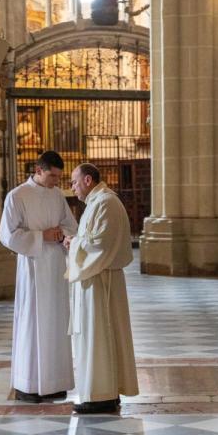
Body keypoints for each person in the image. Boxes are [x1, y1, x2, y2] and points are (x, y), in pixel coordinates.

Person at [0, 151, 78, 403]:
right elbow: (8, 235)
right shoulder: (17, 195)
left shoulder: (56, 195)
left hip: (55, 265)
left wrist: (64, 236)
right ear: (38, 170)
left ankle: (55, 382)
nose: (57, 181)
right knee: (32, 322)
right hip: (32, 266)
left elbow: (70, 224)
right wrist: (41, 236)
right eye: (53, 176)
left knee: (56, 321)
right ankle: (28, 384)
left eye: (60, 176)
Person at [63, 163, 138, 413]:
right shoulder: (97, 203)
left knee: (98, 335)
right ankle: (102, 391)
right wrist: (77, 243)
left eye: (74, 182)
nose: (71, 187)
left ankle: (100, 395)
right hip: (95, 279)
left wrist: (73, 243)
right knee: (96, 336)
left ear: (87, 180)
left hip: (100, 281)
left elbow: (101, 245)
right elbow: (93, 241)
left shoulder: (105, 203)